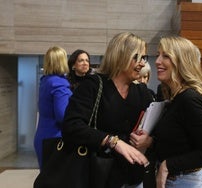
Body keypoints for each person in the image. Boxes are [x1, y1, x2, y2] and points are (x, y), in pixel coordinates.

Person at [62, 32, 154, 188]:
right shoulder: (93, 85)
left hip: (133, 178)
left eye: (144, 58)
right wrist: (112, 141)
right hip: (98, 176)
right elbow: (72, 127)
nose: (142, 64)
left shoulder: (142, 93)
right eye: (137, 57)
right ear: (120, 55)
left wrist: (149, 141)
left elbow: (157, 130)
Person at [147, 36, 202, 188]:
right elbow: (179, 142)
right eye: (158, 55)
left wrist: (167, 165)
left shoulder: (189, 99)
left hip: (185, 182)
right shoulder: (176, 97)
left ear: (182, 61)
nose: (158, 61)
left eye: (166, 56)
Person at [34, 46, 72, 169]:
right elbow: (62, 116)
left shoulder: (46, 80)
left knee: (46, 178)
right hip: (55, 139)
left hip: (42, 136)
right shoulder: (59, 83)